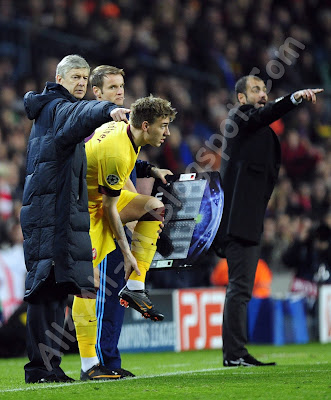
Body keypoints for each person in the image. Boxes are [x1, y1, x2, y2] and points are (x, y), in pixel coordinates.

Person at [20, 54, 130, 384]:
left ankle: (49, 367)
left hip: (54, 212)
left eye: (85, 77)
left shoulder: (54, 108)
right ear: (61, 78)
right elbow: (80, 114)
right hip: (48, 214)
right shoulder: (57, 107)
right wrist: (106, 109)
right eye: (76, 78)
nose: (81, 83)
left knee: (55, 289)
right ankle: (40, 368)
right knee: (44, 289)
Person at [212, 74, 323, 367]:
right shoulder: (239, 118)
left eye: (265, 89)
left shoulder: (257, 128)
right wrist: (294, 99)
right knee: (239, 287)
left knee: (242, 287)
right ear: (240, 98)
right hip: (236, 220)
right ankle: (234, 354)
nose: (263, 94)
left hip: (248, 219)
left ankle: (236, 352)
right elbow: (265, 113)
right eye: (256, 90)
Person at [72, 65, 173, 380]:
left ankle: (135, 286)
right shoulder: (116, 149)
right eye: (164, 126)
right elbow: (110, 207)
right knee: (88, 286)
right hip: (84, 212)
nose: (167, 133)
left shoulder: (126, 131)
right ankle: (90, 366)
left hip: (101, 203)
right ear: (146, 125)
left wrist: (149, 170)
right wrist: (128, 252)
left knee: (155, 207)